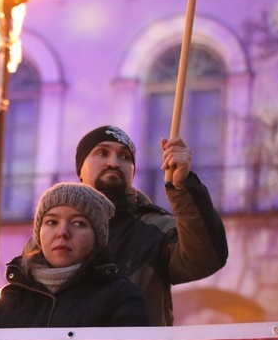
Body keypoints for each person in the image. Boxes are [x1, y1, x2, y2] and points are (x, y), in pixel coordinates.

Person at [74, 125, 228, 325]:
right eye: (102, 153)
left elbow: (205, 258)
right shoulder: (54, 232)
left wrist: (184, 187)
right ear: (80, 170)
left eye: (125, 157)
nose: (114, 162)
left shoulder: (157, 230)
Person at [0, 183, 150, 328]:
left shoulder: (121, 297)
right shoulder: (11, 299)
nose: (62, 233)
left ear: (97, 236)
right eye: (52, 222)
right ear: (39, 233)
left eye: (78, 223)